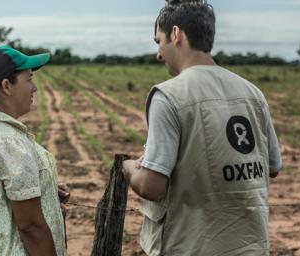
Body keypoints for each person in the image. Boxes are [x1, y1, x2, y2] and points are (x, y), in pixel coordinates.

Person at [121, 0, 283, 255]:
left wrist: (129, 168)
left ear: (176, 34)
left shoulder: (168, 96)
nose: (159, 54)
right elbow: (272, 167)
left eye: (158, 41)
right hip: (251, 247)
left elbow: (151, 186)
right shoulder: (253, 93)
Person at [0, 45, 69, 256]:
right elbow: (31, 227)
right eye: (29, 79)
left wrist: (44, 191)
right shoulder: (10, 143)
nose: (34, 88)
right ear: (7, 86)